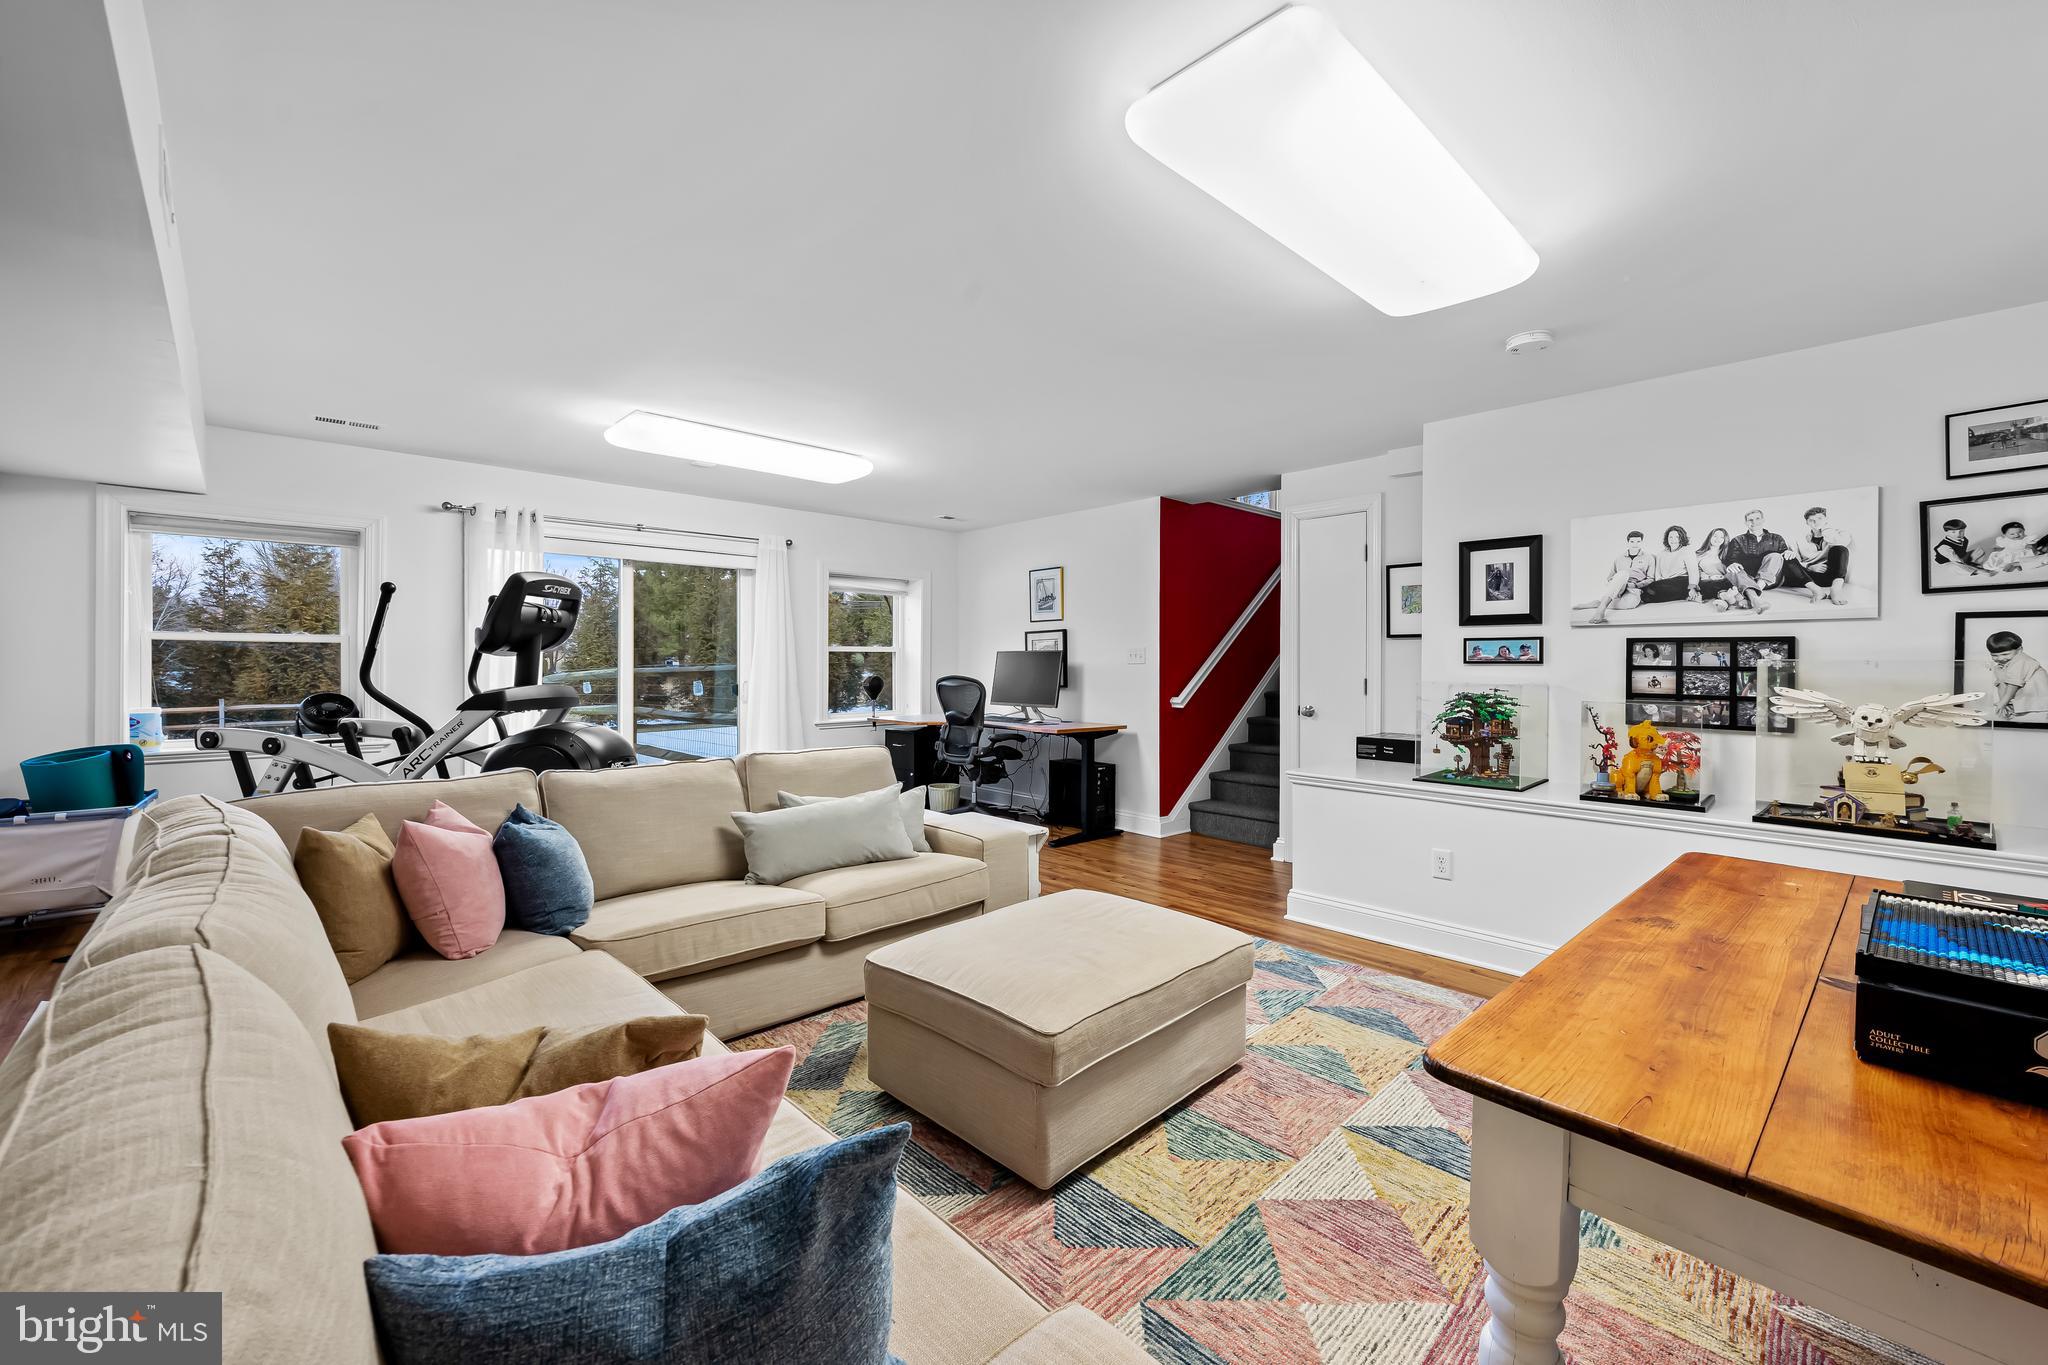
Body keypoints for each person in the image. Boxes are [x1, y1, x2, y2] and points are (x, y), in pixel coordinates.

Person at [1724, 508, 1822, 609]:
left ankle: (1756, 591)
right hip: (1748, 579)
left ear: (1763, 520)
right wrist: (1732, 563)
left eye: (1757, 519)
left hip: (1772, 579)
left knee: (1776, 556)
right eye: (1750, 520)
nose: (1754, 522)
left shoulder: (1776, 538)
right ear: (1746, 523)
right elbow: (1731, 559)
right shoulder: (1737, 540)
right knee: (1732, 571)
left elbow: (1784, 560)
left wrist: (1788, 552)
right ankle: (1755, 600)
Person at [1583, 531, 1653, 624]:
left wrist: (1636, 585)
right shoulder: (1619, 558)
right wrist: (1615, 581)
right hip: (1618, 587)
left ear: (1642, 542)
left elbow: (1651, 578)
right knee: (1623, 574)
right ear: (1628, 542)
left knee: (1630, 604)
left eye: (1638, 541)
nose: (1635, 544)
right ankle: (1601, 609)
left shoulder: (1649, 558)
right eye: (1632, 542)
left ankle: (1599, 602)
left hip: (1633, 588)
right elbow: (1610, 577)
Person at [1793, 505, 1853, 604]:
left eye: (1820, 518)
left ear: (1826, 519)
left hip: (1831, 577)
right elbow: (1795, 562)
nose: (1816, 522)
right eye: (1811, 520)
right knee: (1786, 557)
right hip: (1808, 578)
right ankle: (1818, 591)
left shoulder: (1839, 533)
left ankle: (1836, 589)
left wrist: (1825, 529)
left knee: (1840, 548)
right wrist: (1809, 566)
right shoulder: (1799, 539)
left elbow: (1839, 544)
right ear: (1806, 522)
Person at [1987, 630, 2048, 722]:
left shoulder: (2021, 661)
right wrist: (2005, 703)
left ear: (2019, 650)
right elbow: (2003, 685)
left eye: (2005, 654)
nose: (2000, 658)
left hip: (2038, 704)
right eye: (1994, 655)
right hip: (2025, 703)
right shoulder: (2001, 666)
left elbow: (2013, 685)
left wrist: (2002, 703)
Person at [1640, 525, 1701, 605]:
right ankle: (1683, 596)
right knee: (1647, 592)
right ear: (1667, 538)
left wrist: (1692, 588)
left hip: (1682, 581)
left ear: (1681, 538)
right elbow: (1657, 573)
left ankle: (1688, 593)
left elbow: (1693, 572)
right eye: (1670, 537)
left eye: (1677, 537)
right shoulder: (1661, 554)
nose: (1673, 540)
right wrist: (1659, 585)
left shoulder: (1687, 551)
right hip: (1665, 583)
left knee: (1647, 592)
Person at [1695, 527, 1748, 611]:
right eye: (1715, 536)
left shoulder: (1728, 553)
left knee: (1732, 583)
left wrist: (1724, 577)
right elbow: (1695, 572)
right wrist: (1709, 577)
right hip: (1709, 581)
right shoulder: (1699, 554)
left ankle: (1731, 598)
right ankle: (1727, 597)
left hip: (1727, 580)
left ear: (1725, 539)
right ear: (1710, 537)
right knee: (1706, 584)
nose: (1718, 539)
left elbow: (1735, 568)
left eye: (1722, 537)